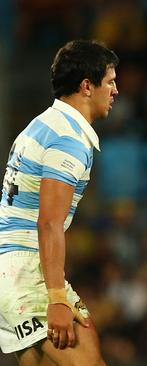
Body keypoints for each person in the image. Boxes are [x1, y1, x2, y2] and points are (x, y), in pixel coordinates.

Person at [0, 40, 118, 366]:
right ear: (86, 86)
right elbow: (49, 222)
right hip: (25, 270)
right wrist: (56, 298)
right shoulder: (68, 138)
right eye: (109, 81)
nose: (115, 90)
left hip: (14, 265)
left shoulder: (40, 126)